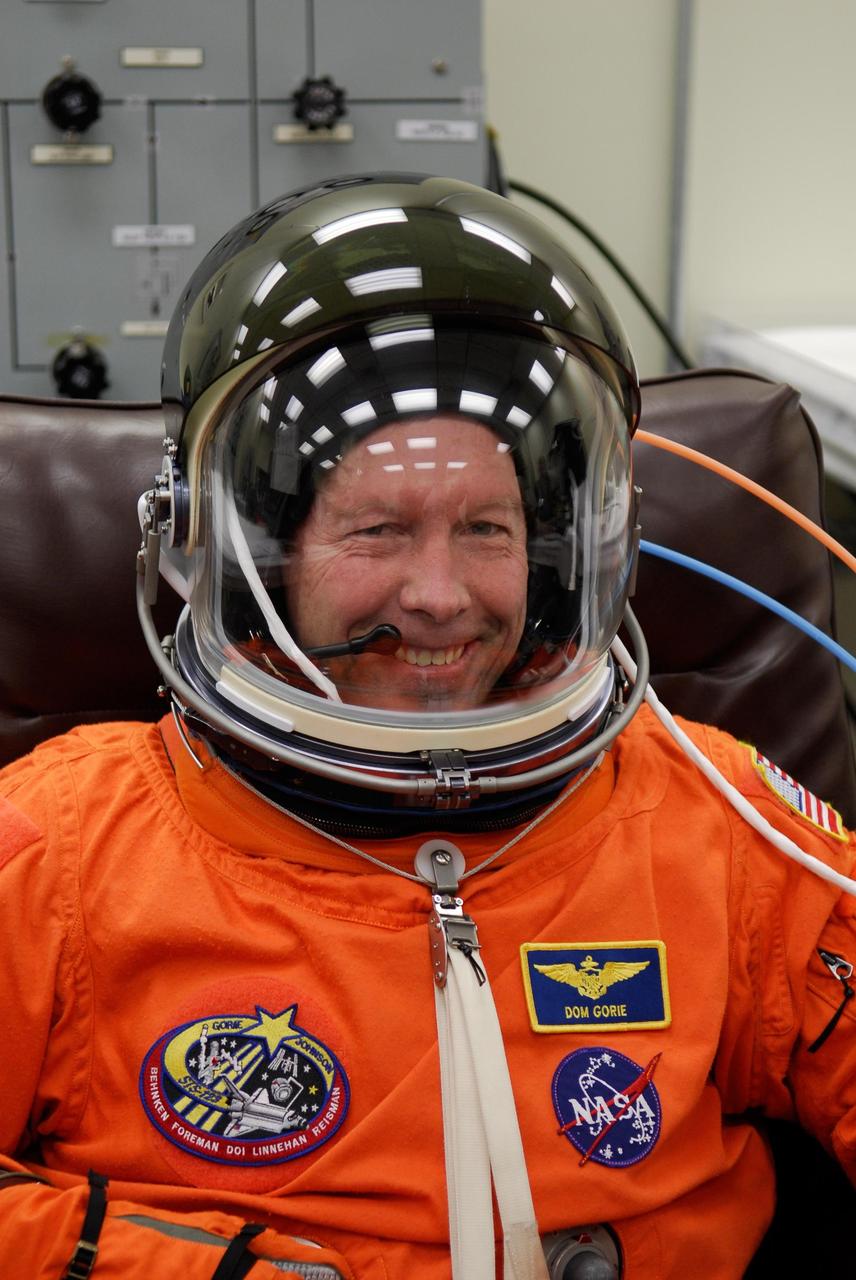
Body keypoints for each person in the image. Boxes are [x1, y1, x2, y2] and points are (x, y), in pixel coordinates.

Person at [1, 172, 855, 1280]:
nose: (441, 595)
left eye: (487, 527)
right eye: (378, 528)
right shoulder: (61, 845)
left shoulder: (711, 812)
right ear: (253, 548)